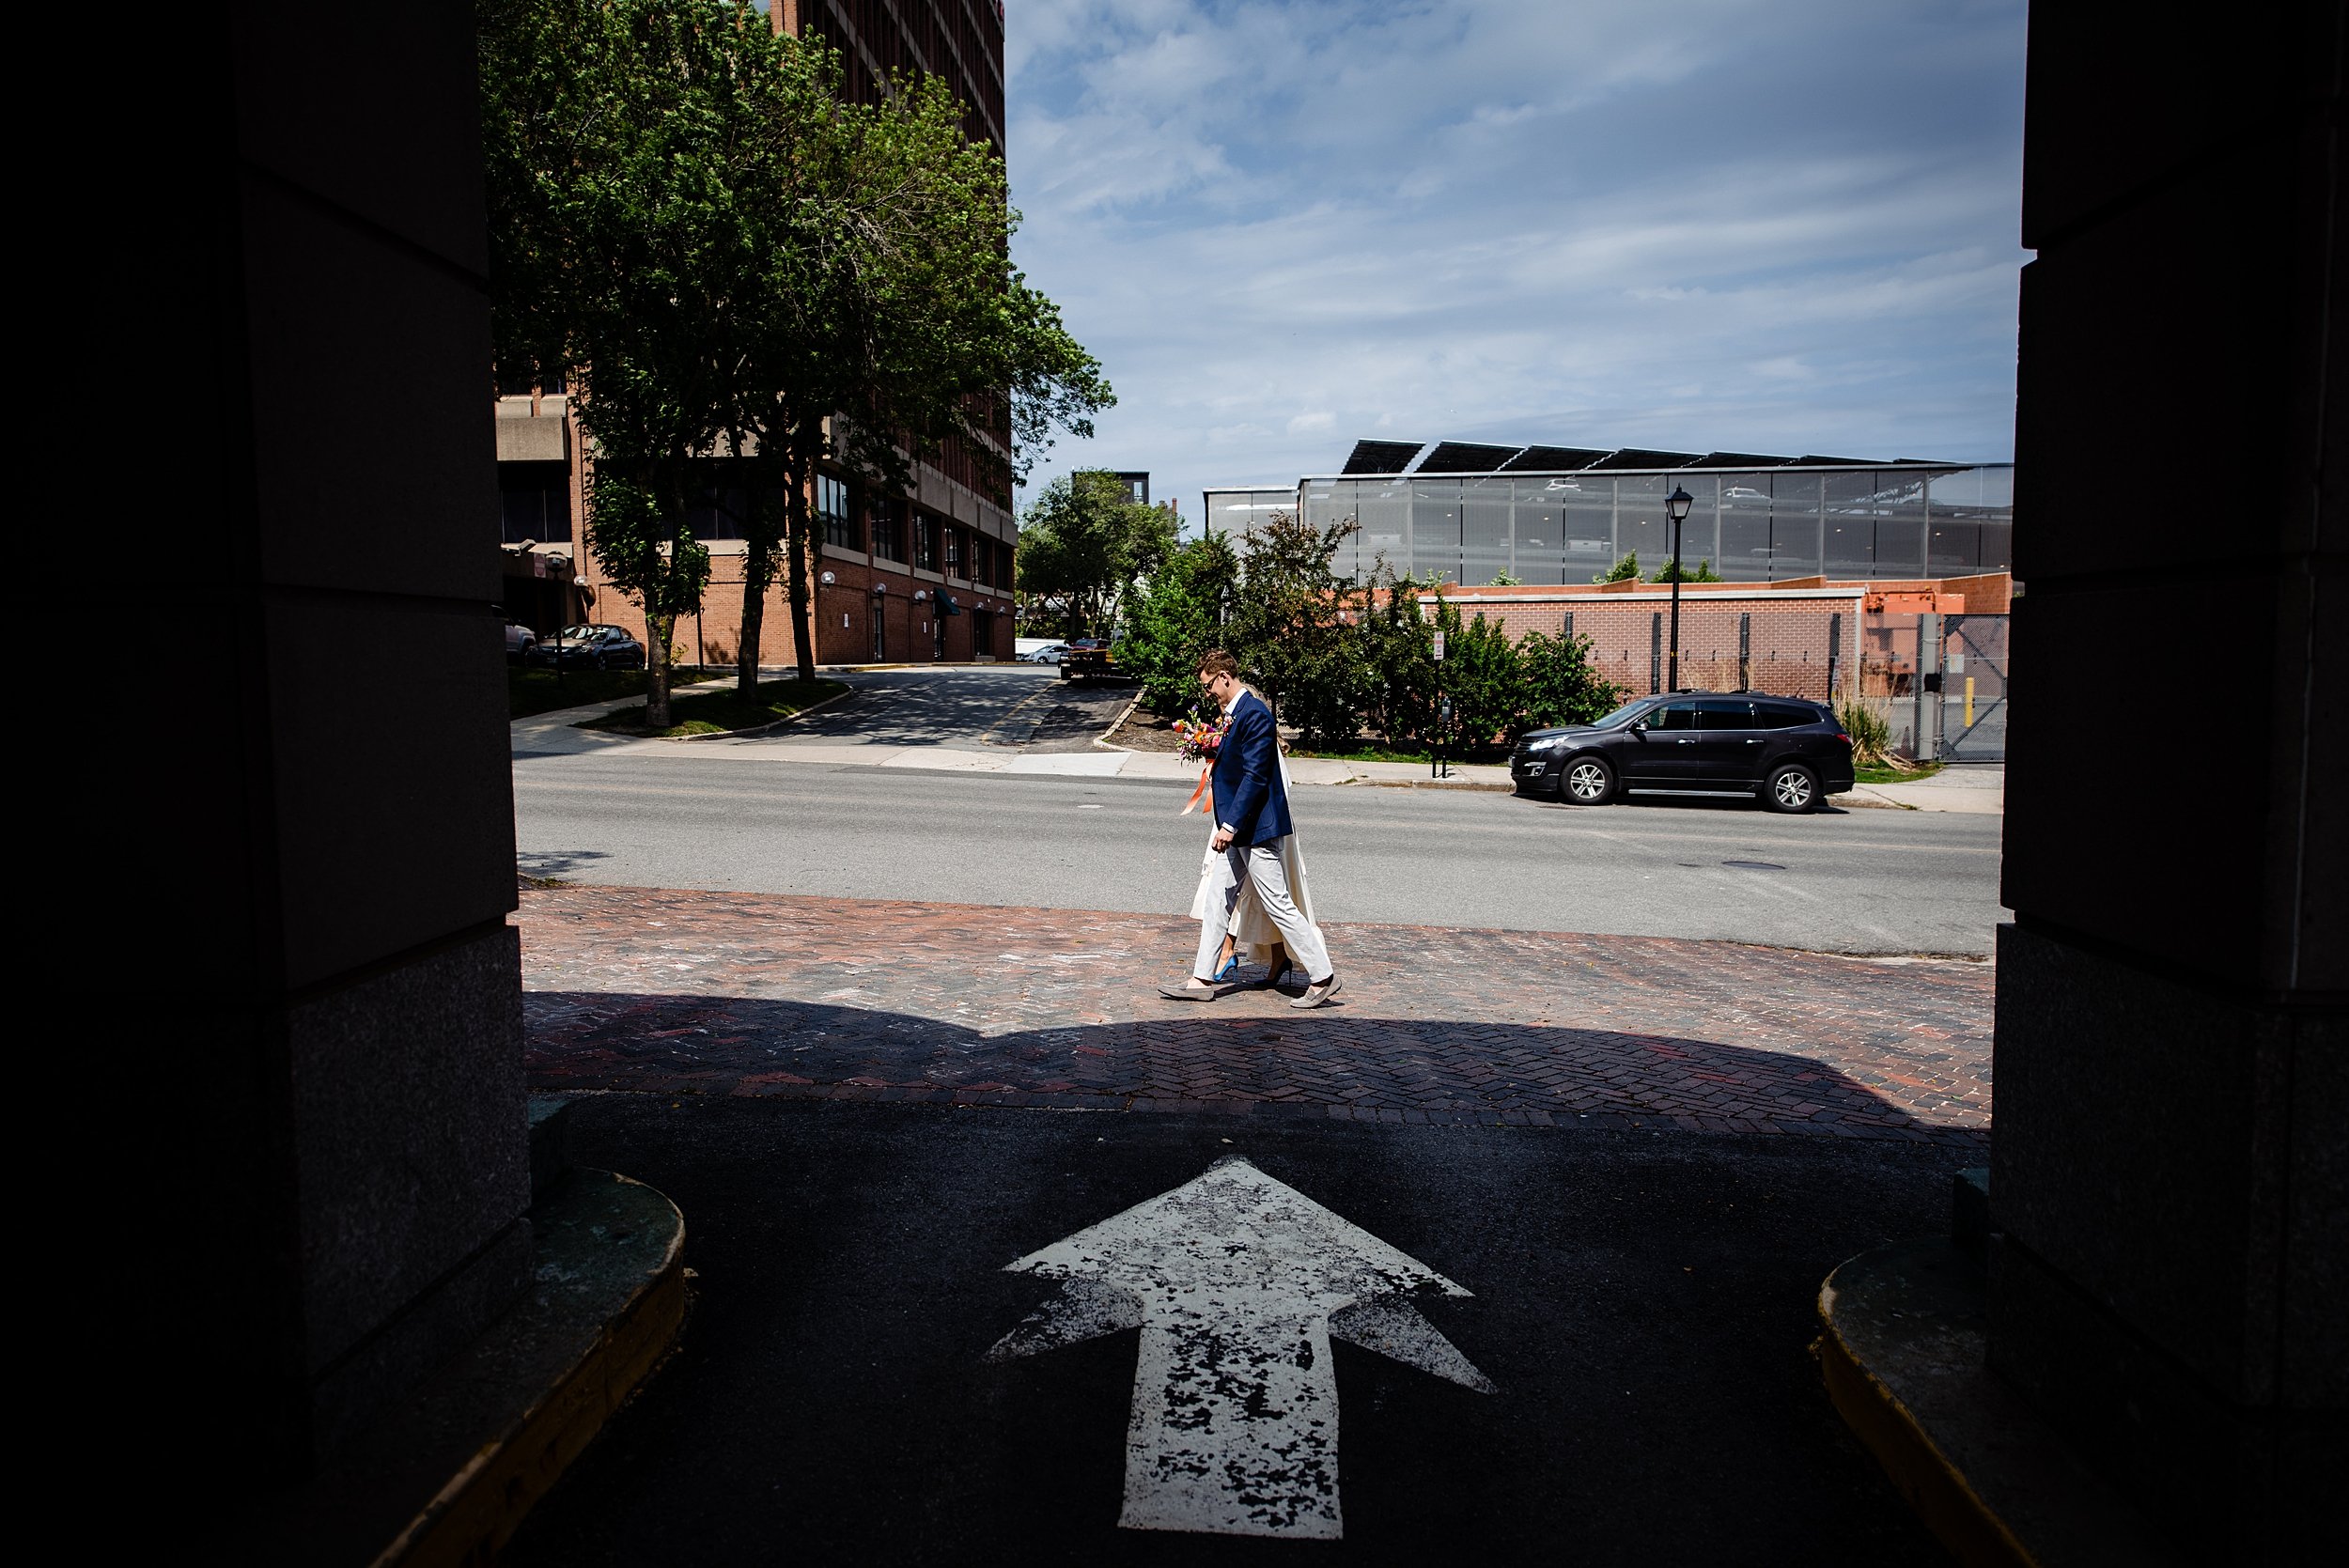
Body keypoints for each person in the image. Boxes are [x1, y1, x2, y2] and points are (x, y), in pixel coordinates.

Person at [1160, 650, 1340, 1008]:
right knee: (1218, 900)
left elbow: (1256, 777)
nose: (1208, 693)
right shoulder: (1235, 714)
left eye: (1209, 685)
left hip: (1255, 829)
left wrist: (1229, 825)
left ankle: (1322, 976)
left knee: (1278, 904)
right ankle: (1201, 978)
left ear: (1225, 676)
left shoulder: (1255, 714)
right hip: (1239, 829)